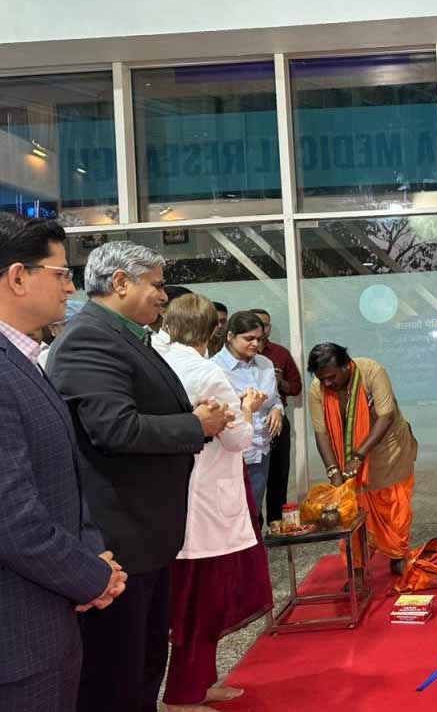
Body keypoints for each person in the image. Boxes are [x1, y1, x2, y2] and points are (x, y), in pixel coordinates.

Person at [46, 241, 232, 712]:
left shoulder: (126, 336)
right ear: (121, 282)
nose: (164, 296)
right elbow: (115, 428)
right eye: (157, 284)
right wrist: (195, 425)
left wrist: (190, 418)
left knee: (144, 666)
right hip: (118, 539)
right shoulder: (89, 338)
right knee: (117, 677)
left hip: (145, 536)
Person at [0, 213, 127, 712]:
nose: (71, 288)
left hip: (46, 618)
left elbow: (63, 478)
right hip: (18, 636)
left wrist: (93, 557)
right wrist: (90, 576)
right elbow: (13, 518)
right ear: (18, 277)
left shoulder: (23, 358)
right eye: (61, 274)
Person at [152, 295, 273, 712]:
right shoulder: (205, 372)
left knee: (192, 599)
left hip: (173, 495)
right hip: (207, 501)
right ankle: (184, 693)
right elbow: (238, 438)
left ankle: (201, 682)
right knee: (203, 601)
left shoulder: (157, 362)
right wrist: (248, 409)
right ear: (214, 331)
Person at [307, 343, 417, 581]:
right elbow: (321, 433)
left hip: (388, 448)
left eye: (331, 377)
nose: (327, 383)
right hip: (348, 454)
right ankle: (357, 565)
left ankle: (397, 555)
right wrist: (333, 470)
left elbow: (386, 416)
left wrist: (359, 456)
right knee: (353, 508)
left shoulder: (372, 371)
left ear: (346, 365)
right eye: (322, 378)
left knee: (393, 502)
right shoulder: (317, 389)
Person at [213, 311, 283, 519]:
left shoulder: (265, 363)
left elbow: (274, 398)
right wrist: (245, 405)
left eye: (259, 339)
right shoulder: (214, 368)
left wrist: (277, 409)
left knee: (253, 513)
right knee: (232, 516)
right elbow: (216, 412)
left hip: (261, 449)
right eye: (249, 338)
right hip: (232, 453)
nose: (255, 344)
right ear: (230, 336)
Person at [251, 307, 303, 524]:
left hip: (277, 419)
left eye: (267, 324)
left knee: (278, 476)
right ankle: (255, 526)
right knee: (253, 481)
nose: (263, 329)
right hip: (249, 423)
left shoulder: (280, 353)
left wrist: (278, 382)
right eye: (258, 324)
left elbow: (296, 387)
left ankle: (277, 525)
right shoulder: (239, 355)